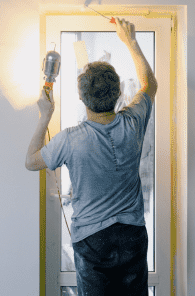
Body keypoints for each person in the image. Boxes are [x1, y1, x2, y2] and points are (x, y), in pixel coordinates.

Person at [40, 18, 158, 296]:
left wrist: (45, 115)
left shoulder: (70, 138)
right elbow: (149, 83)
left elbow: (30, 161)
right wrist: (130, 41)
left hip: (93, 239)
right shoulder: (133, 120)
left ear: (81, 99)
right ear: (118, 94)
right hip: (131, 233)